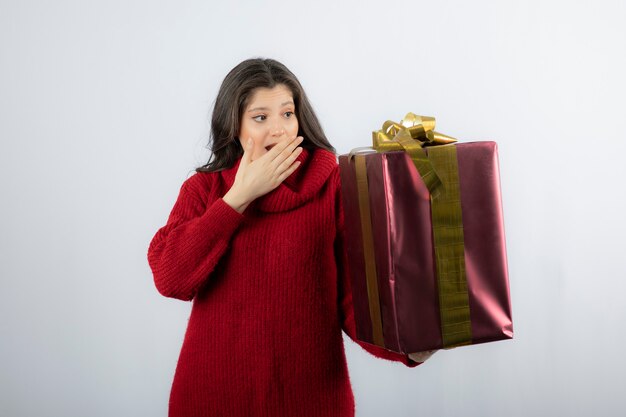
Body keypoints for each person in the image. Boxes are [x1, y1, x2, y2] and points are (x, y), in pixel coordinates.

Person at [147, 57, 431, 417]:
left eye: (287, 113)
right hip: (211, 398)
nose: (279, 130)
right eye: (261, 117)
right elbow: (170, 277)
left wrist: (414, 343)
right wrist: (237, 197)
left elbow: (352, 300)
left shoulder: (331, 186)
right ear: (234, 125)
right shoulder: (205, 189)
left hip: (311, 401)